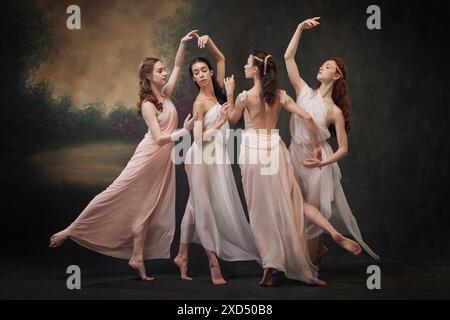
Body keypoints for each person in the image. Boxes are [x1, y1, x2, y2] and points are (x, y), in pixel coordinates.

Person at [49, 30, 199, 281]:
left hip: (163, 163)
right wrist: (186, 130)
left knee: (148, 209)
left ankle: (137, 257)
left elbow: (178, 65)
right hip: (148, 157)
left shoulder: (166, 95)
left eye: (164, 70)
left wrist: (183, 43)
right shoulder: (148, 104)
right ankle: (71, 230)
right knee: (113, 192)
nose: (164, 73)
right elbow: (159, 138)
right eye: (159, 70)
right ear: (149, 76)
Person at [227, 50, 362, 286]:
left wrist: (230, 94)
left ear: (256, 70)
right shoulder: (280, 95)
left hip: (251, 151)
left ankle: (270, 264)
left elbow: (230, 120)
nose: (245, 67)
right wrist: (317, 145)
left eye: (248, 64)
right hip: (275, 150)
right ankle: (326, 238)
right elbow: (308, 119)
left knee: (260, 210)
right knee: (293, 203)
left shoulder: (244, 96)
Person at [284, 17, 380, 266]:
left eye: (327, 67)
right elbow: (288, 58)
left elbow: (344, 150)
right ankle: (316, 251)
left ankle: (311, 260)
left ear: (336, 76)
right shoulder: (304, 91)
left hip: (318, 161)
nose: (321, 68)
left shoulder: (334, 111)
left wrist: (323, 164)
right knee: (295, 205)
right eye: (322, 65)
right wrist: (299, 28)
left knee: (313, 211)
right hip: (295, 153)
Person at [174, 34, 260, 286]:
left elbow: (220, 57)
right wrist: (221, 120)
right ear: (193, 78)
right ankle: (214, 263)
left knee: (194, 205)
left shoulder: (222, 90)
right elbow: (199, 139)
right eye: (195, 73)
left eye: (203, 70)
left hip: (218, 155)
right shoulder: (199, 103)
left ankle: (181, 255)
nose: (200, 75)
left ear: (211, 72)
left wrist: (209, 41)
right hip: (200, 156)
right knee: (203, 207)